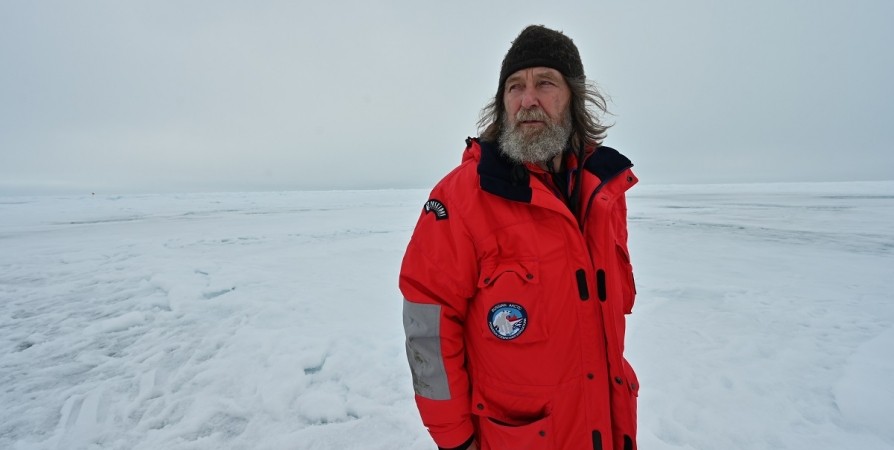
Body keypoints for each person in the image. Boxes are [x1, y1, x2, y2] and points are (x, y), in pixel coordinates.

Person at [400, 25, 639, 450]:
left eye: (545, 83)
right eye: (515, 87)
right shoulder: (462, 198)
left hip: (601, 426)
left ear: (574, 98)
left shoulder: (602, 193)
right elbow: (429, 328)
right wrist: (456, 441)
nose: (527, 100)